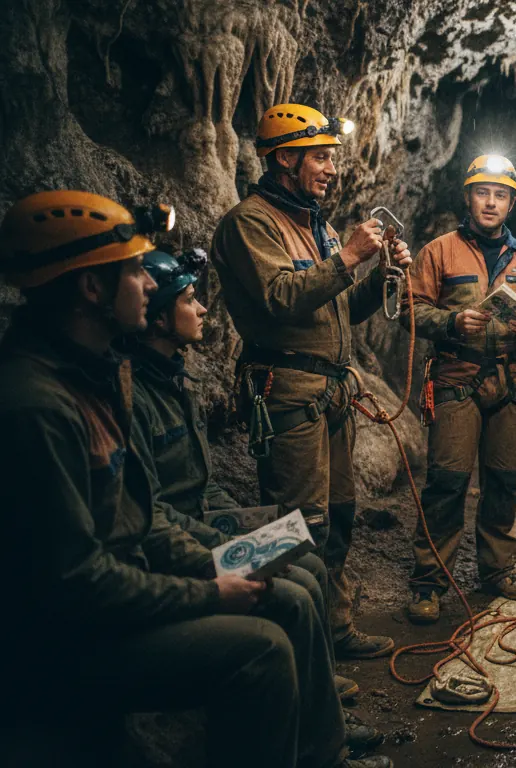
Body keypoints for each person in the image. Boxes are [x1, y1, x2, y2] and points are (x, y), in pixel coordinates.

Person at [0, 190, 388, 768]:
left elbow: (143, 515)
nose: (150, 285)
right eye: (134, 271)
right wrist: (210, 587)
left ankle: (318, 745)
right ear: (90, 289)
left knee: (294, 554)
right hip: (73, 639)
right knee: (262, 645)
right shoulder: (38, 405)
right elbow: (78, 585)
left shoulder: (94, 376)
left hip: (130, 577)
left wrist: (221, 556)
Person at [121, 249, 366, 706]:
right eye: (190, 300)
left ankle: (317, 692)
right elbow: (152, 512)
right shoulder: (134, 397)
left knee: (306, 558)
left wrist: (255, 531)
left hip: (195, 529)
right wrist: (228, 551)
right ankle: (320, 733)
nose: (202, 309)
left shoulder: (174, 382)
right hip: (177, 547)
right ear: (156, 320)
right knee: (294, 591)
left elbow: (202, 484)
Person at [211, 103, 408, 659]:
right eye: (320, 157)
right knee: (296, 526)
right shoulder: (251, 223)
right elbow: (279, 300)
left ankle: (334, 629)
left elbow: (340, 306)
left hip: (330, 392)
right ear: (284, 159)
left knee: (338, 515)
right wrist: (349, 255)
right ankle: (294, 650)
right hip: (288, 391)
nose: (331, 168)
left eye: (331, 157)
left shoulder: (312, 225)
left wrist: (382, 275)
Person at [400, 154, 516, 623]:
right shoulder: (439, 251)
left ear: (511, 203)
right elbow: (411, 310)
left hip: (512, 380)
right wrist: (452, 321)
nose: (490, 202)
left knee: (504, 481)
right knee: (447, 483)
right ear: (468, 197)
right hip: (457, 379)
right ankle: (428, 583)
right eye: (482, 193)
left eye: (500, 195)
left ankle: (497, 571)